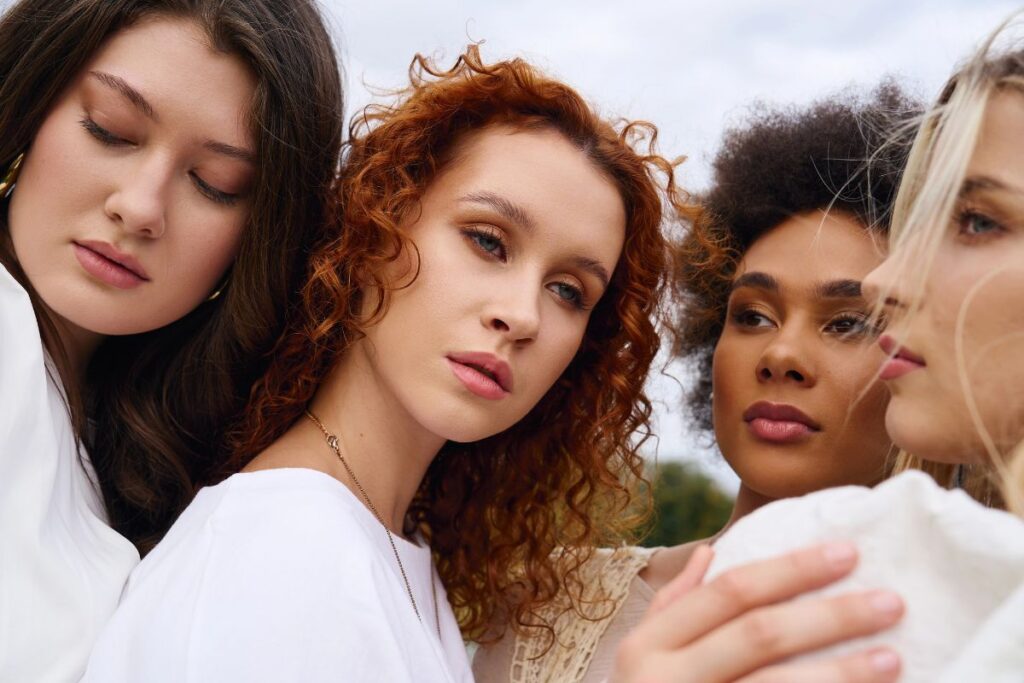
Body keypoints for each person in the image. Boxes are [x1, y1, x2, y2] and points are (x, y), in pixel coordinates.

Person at [84, 48, 904, 683]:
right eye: (487, 241)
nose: (523, 314)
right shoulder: (285, 548)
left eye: (569, 290)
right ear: (372, 228)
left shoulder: (388, 554)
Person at [473, 84, 920, 683]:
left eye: (847, 323)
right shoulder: (548, 605)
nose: (781, 355)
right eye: (752, 316)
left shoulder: (979, 631)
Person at [662, 24, 1024, 683]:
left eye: (977, 221)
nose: (781, 355)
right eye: (750, 315)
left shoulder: (958, 612)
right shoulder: (528, 595)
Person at [0, 1, 344, 680]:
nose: (141, 207)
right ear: (32, 104)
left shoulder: (128, 446)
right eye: (110, 129)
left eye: (215, 185)